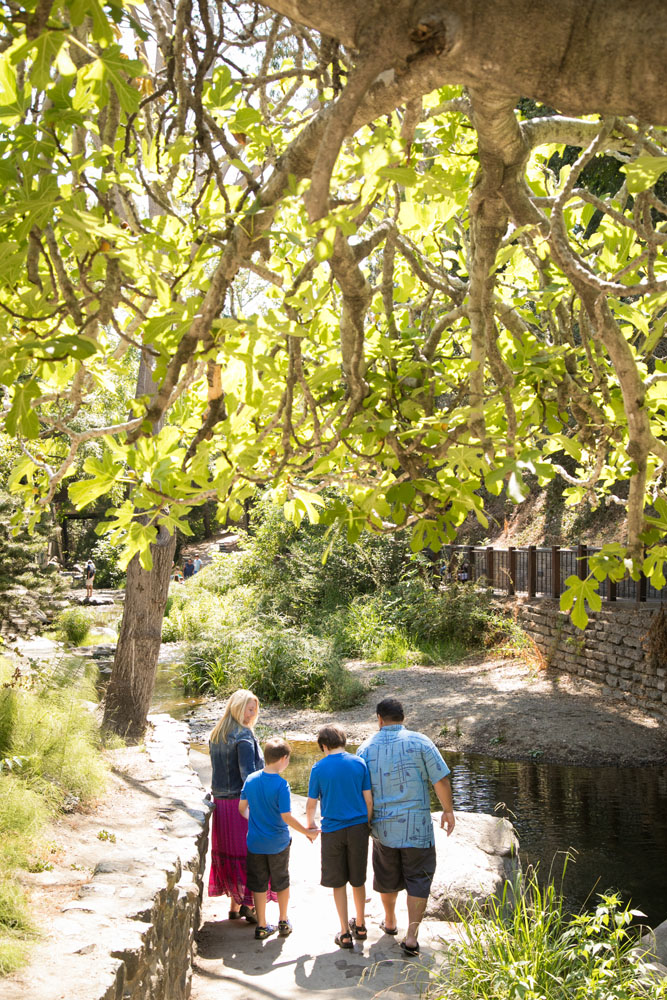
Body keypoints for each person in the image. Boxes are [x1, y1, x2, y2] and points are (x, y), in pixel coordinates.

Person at [357, 697, 455, 958]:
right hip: (417, 829)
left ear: (379, 719)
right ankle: (411, 937)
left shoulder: (365, 748)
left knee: (387, 876)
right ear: (403, 717)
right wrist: (448, 810)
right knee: (418, 879)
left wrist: (364, 824)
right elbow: (441, 779)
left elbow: (361, 791)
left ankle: (390, 922)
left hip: (382, 829)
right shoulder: (421, 741)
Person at [240, 737, 319, 940]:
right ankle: (283, 920)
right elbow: (286, 816)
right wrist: (307, 832)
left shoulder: (251, 779)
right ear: (284, 759)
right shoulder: (281, 785)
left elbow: (242, 809)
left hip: (255, 842)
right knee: (281, 880)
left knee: (258, 883)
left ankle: (262, 925)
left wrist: (255, 819)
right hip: (278, 843)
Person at [305, 724, 373, 949]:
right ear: (343, 741)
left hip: (333, 830)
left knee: (338, 882)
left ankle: (344, 932)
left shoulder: (319, 768)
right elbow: (368, 799)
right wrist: (367, 823)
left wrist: (310, 825)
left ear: (324, 746)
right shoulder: (359, 763)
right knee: (358, 879)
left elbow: (312, 803)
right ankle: (361, 925)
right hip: (358, 828)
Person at [209, 689, 265, 923]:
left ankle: (234, 906)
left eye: (254, 709)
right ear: (237, 708)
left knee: (231, 854)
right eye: (249, 709)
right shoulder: (242, 736)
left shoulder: (217, 734)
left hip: (221, 803)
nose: (252, 714)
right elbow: (248, 776)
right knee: (248, 854)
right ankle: (249, 905)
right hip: (239, 804)